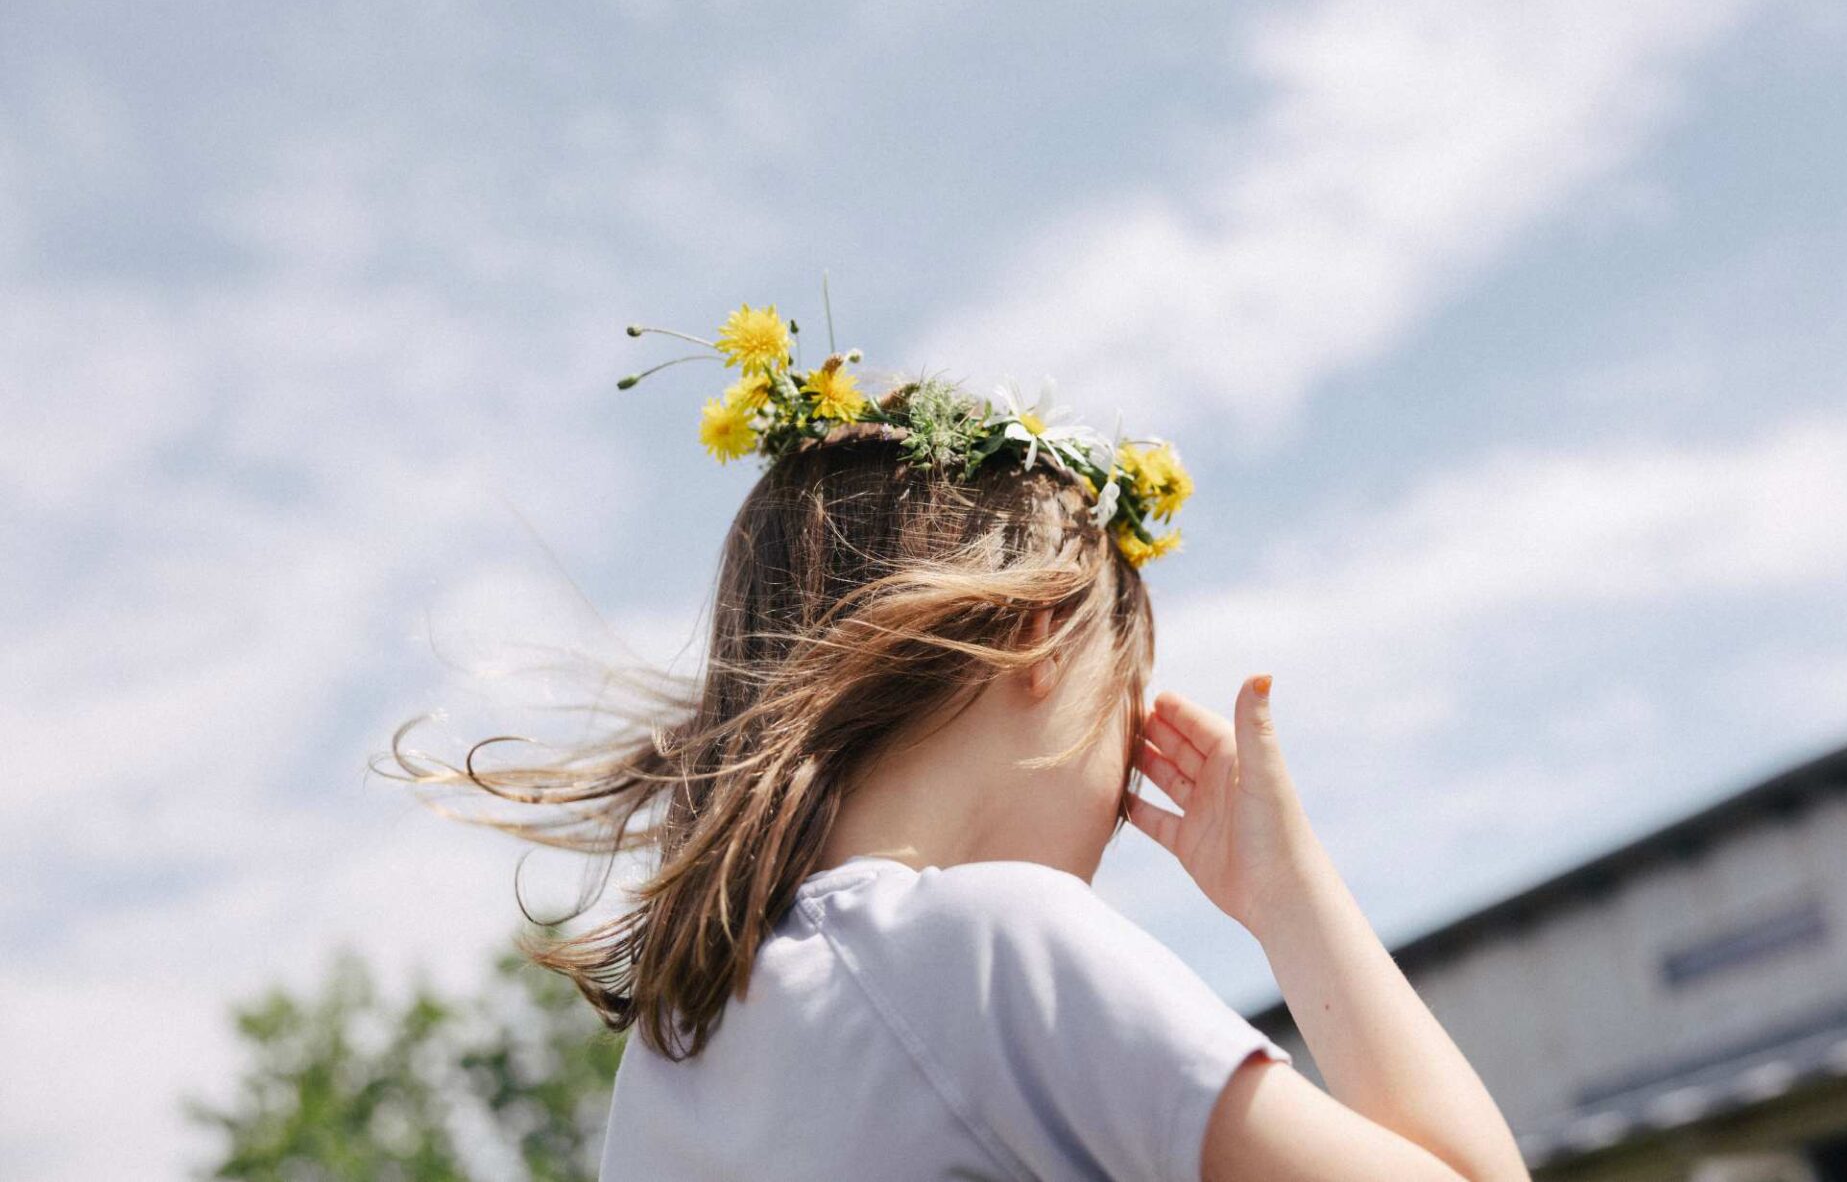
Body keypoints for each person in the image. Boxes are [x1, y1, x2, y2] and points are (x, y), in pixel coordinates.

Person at [390, 304, 1531, 1180]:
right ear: (1039, 639)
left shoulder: (678, 1056)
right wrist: (1289, 896)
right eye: (1126, 722)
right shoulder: (995, 950)